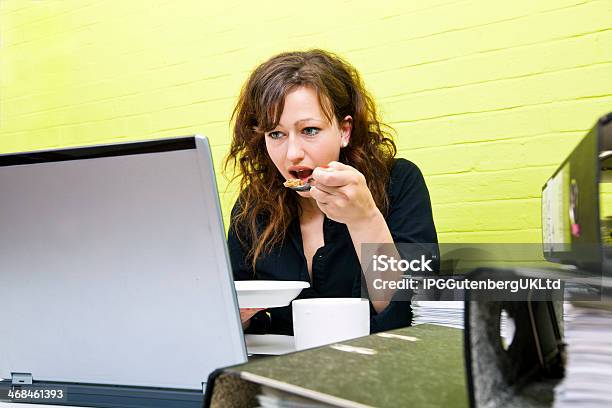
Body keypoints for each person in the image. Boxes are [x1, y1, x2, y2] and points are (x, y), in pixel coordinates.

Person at [225, 49, 437, 335]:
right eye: (276, 134)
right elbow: (241, 317)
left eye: (310, 130)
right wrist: (233, 316)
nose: (293, 154)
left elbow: (411, 315)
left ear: (344, 131)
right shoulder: (253, 205)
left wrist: (365, 219)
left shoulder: (399, 182)